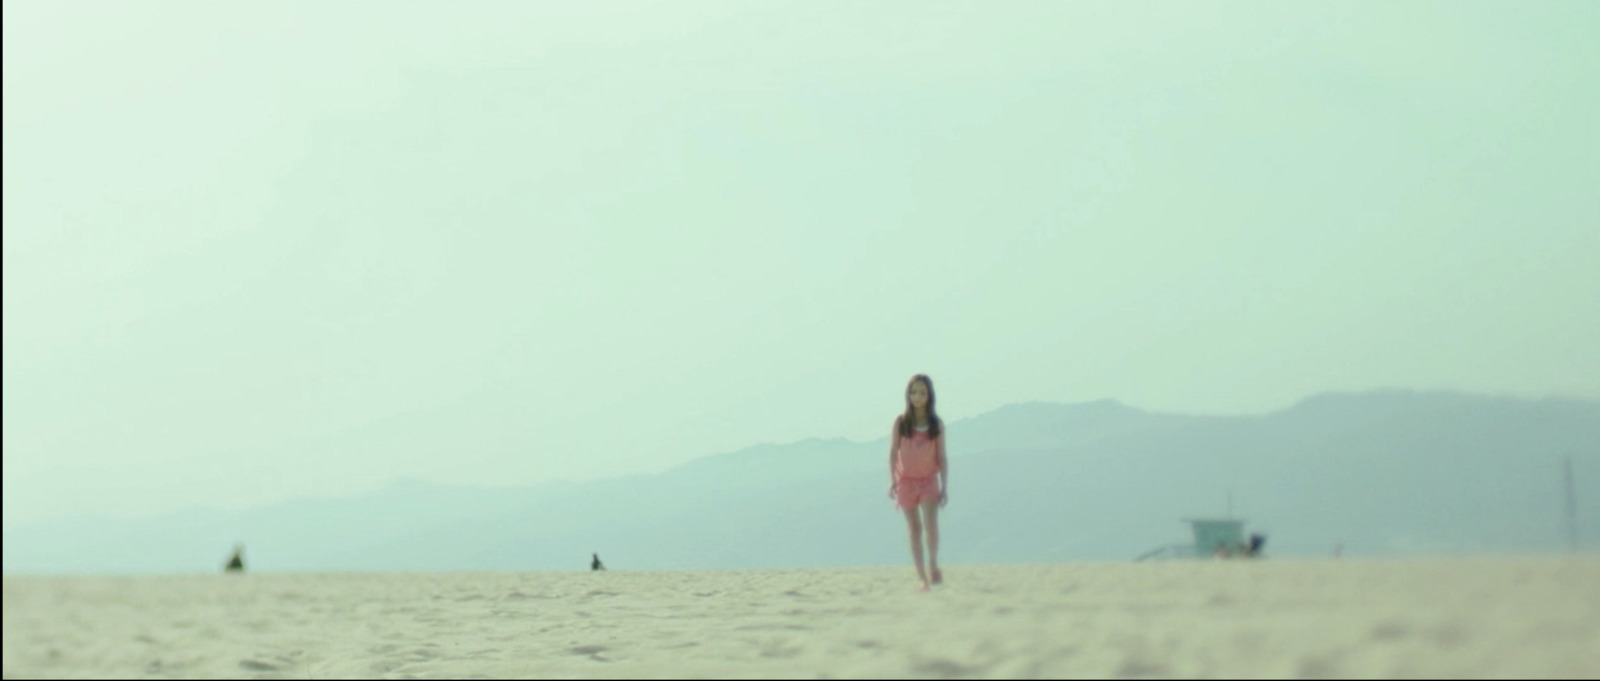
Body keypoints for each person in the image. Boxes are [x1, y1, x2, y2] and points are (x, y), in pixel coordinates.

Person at [888, 374, 948, 591]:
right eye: (914, 392)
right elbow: (894, 452)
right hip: (905, 481)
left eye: (922, 392)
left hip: (929, 479)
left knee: (931, 526)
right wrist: (892, 480)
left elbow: (942, 457)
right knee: (914, 528)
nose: (918, 397)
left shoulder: (935, 425)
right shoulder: (901, 423)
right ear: (908, 395)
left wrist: (945, 485)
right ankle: (922, 577)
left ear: (929, 396)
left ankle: (933, 562)